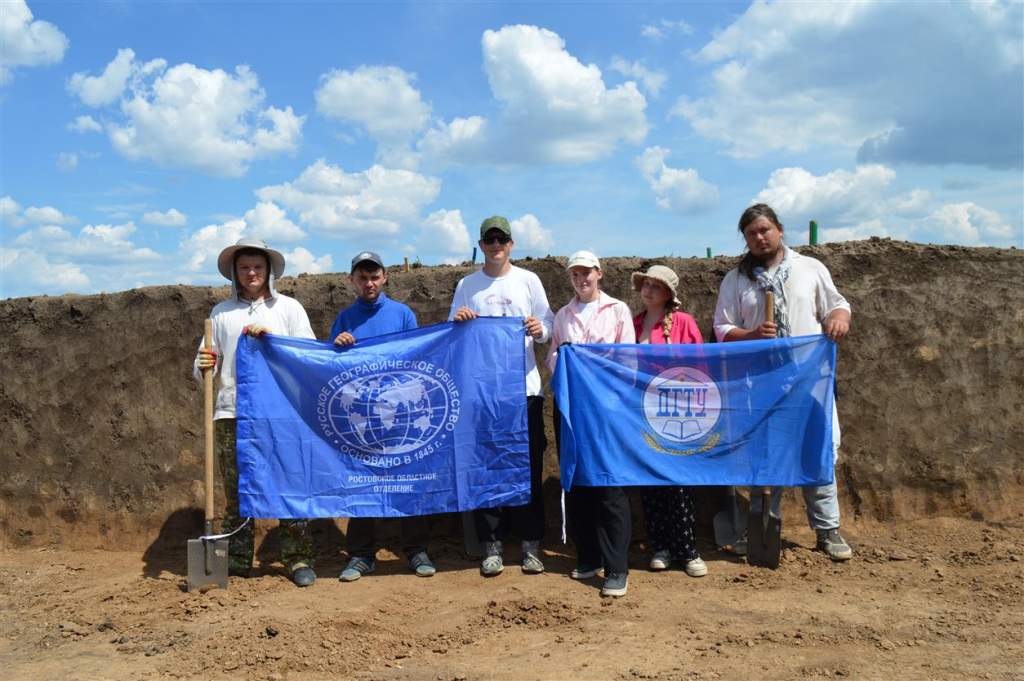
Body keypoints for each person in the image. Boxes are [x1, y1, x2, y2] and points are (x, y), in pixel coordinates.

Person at [713, 204, 853, 561]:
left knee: (815, 450)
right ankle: (759, 526)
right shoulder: (737, 280)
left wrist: (838, 318)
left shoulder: (810, 269)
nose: (759, 238)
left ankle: (827, 530)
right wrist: (753, 334)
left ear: (779, 230)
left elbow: (837, 305)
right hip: (759, 384)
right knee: (765, 456)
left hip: (808, 379)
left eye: (764, 230)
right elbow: (722, 330)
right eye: (751, 234)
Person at [193, 238, 318, 586]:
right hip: (232, 412)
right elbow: (205, 364)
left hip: (281, 413)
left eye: (258, 267)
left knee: (290, 483)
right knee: (237, 491)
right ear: (235, 272)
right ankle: (237, 561)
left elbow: (306, 355)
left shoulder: (289, 310)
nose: (251, 273)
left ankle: (297, 558)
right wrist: (203, 362)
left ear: (269, 271)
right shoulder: (221, 314)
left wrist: (273, 339)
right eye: (245, 267)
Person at [449, 215, 554, 577]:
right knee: (487, 467)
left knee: (528, 468)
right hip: (483, 395)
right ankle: (491, 545)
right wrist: (460, 320)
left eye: (502, 239)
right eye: (489, 240)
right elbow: (454, 333)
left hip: (523, 391)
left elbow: (549, 325)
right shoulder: (467, 285)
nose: (496, 245)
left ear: (511, 244)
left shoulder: (529, 280)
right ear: (481, 245)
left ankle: (530, 546)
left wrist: (540, 328)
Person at [330, 251, 436, 582]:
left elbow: (414, 358)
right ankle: (361, 555)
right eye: (362, 277)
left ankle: (416, 550)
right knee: (362, 482)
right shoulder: (345, 318)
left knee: (409, 482)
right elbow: (330, 366)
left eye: (374, 276)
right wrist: (339, 345)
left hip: (399, 415)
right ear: (352, 281)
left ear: (385, 277)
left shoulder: (403, 314)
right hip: (362, 419)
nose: (369, 282)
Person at [548, 251, 636, 597]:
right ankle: (588, 557)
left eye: (586, 273)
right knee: (578, 482)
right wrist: (566, 357)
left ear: (599, 274)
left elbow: (627, 357)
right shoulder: (562, 315)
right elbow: (553, 357)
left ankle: (617, 569)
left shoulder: (617, 311)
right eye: (575, 274)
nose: (581, 279)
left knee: (610, 485)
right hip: (572, 409)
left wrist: (591, 362)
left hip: (606, 410)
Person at [631, 265, 708, 578]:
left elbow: (701, 366)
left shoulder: (685, 323)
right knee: (649, 480)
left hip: (677, 413)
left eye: (656, 286)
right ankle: (660, 546)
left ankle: (687, 549)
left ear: (668, 295)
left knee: (679, 479)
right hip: (638, 411)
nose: (648, 290)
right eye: (646, 285)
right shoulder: (632, 323)